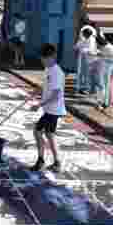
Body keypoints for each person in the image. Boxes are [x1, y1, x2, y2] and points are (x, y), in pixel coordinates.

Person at [30, 44, 66, 172]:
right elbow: (46, 86)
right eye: (41, 58)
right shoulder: (48, 70)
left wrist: (39, 105)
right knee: (49, 134)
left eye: (44, 59)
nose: (42, 61)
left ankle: (41, 161)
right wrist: (37, 91)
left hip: (53, 110)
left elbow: (56, 95)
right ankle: (57, 162)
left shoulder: (57, 72)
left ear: (51, 57)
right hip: (50, 109)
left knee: (37, 131)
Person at [96, 35, 113, 110]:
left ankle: (106, 102)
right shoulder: (106, 46)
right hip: (108, 68)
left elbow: (112, 57)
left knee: (107, 86)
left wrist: (101, 54)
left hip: (111, 69)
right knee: (107, 86)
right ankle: (108, 101)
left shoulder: (108, 47)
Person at [75, 24, 98, 96]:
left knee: (89, 75)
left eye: (84, 34)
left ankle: (90, 89)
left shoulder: (91, 39)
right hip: (83, 58)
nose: (83, 35)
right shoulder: (84, 39)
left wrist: (82, 49)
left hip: (90, 59)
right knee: (82, 73)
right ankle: (82, 88)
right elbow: (78, 45)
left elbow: (90, 50)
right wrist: (77, 47)